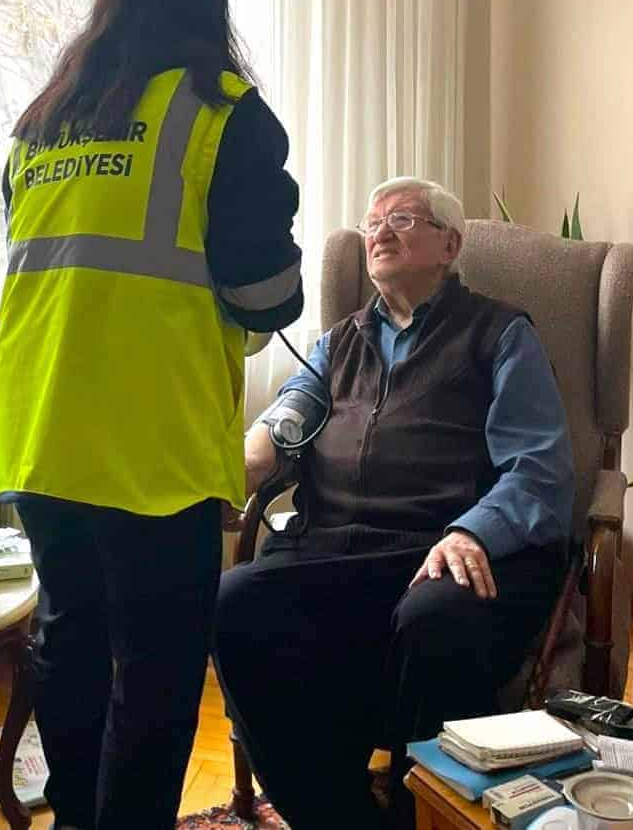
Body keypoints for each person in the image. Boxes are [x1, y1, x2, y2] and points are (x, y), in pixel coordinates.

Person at [0, 0, 304, 830]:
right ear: (209, 13)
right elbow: (263, 294)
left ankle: (76, 817)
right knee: (156, 666)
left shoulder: (41, 124)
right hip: (149, 440)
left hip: (42, 428)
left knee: (70, 640)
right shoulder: (221, 113)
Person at [213, 177, 575, 829]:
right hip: (334, 545)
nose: (379, 230)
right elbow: (288, 414)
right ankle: (338, 814)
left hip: (441, 546)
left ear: (449, 246)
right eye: (372, 221)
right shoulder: (338, 343)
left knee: (433, 619)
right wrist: (238, 468)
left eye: (402, 219)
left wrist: (471, 533)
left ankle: (424, 813)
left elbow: (538, 469)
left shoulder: (499, 334)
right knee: (233, 602)